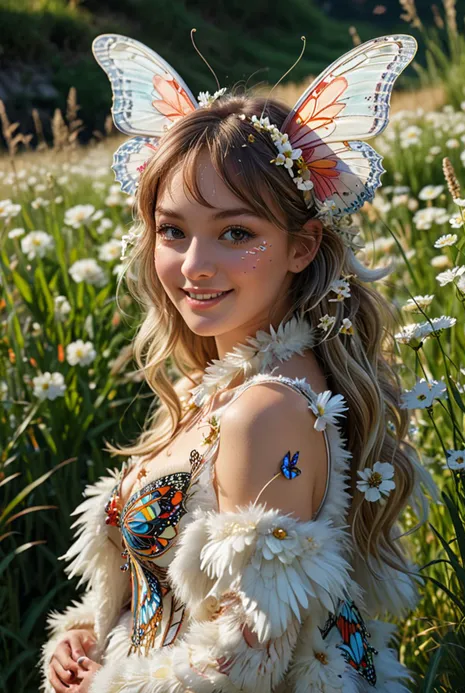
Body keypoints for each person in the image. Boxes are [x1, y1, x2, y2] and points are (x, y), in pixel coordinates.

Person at [40, 32, 432, 692]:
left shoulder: (266, 409)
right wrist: (89, 631)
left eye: (236, 233)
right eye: (173, 230)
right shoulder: (226, 386)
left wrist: (107, 682)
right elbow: (169, 593)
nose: (194, 265)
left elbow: (249, 660)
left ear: (302, 246)